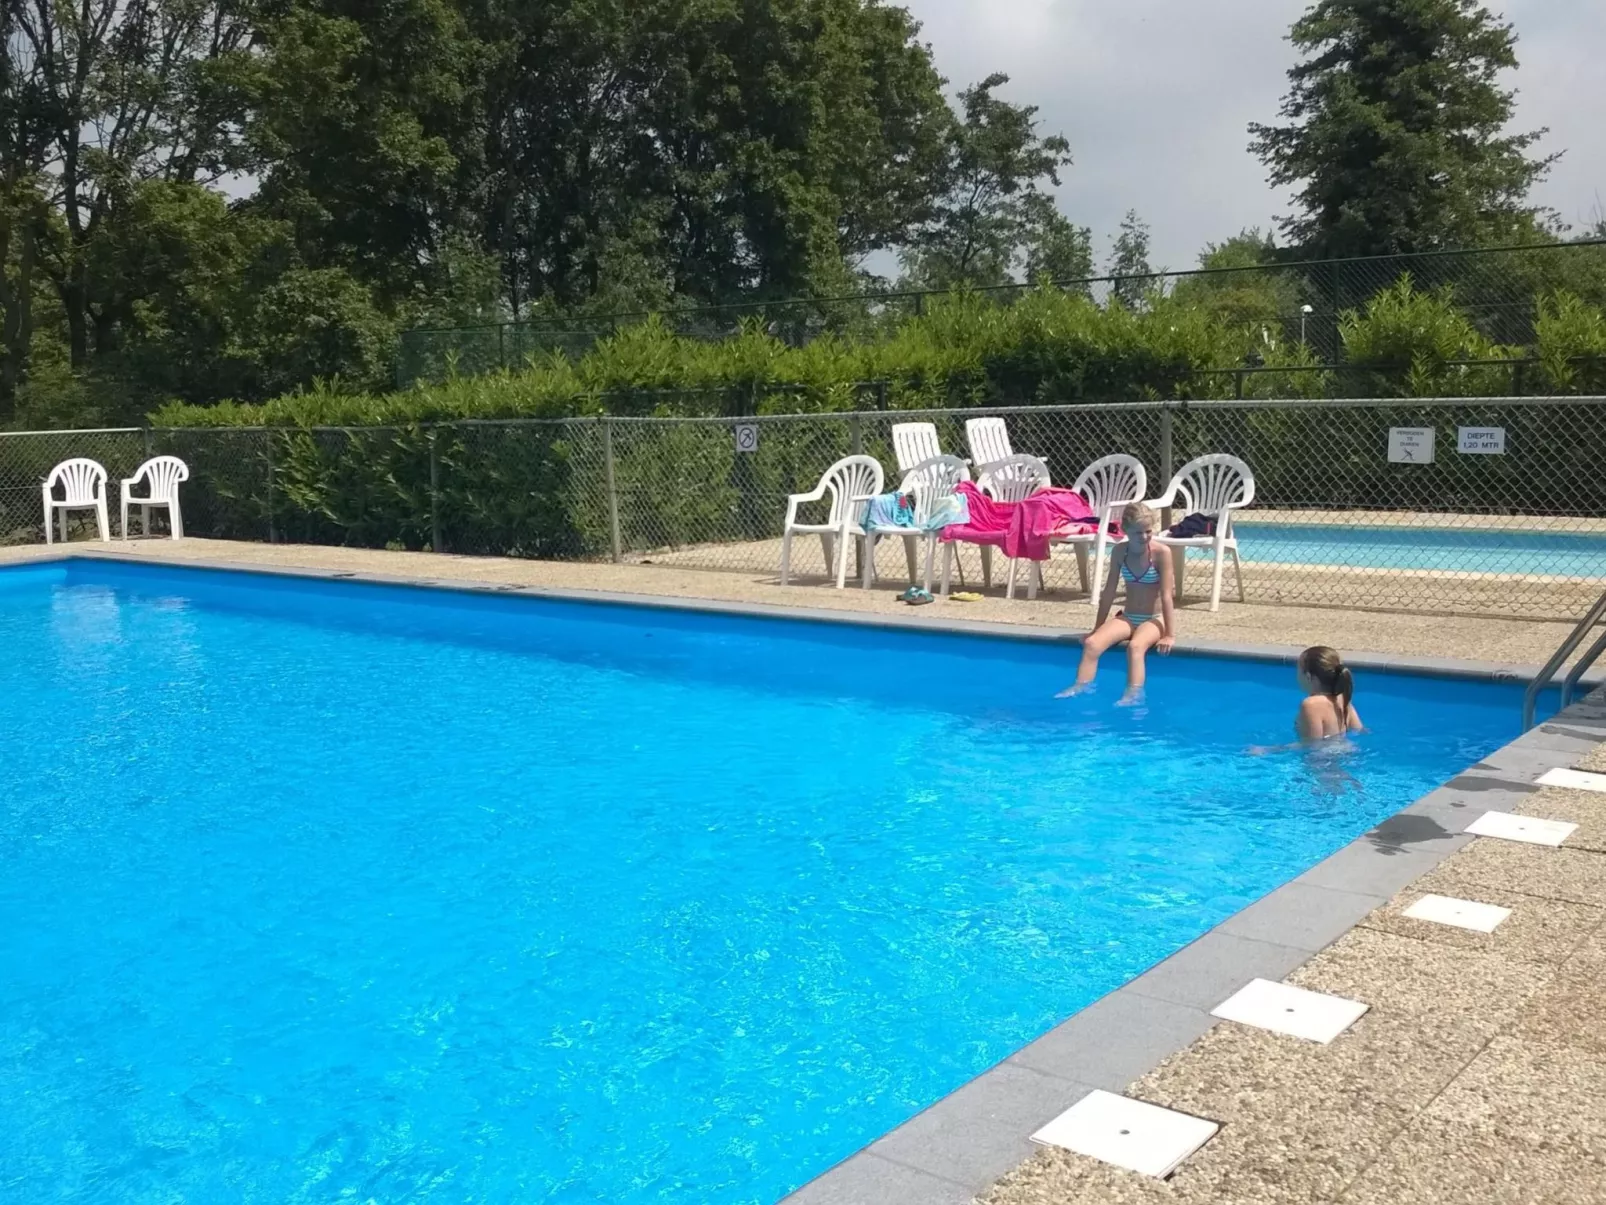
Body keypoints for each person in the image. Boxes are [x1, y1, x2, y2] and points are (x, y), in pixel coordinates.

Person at [1057, 501, 1176, 705]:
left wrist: (1169, 635)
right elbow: (1109, 592)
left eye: (1148, 531)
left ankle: (1133, 695)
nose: (1144, 537)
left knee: (1135, 647)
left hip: (1154, 619)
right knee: (1092, 644)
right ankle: (1080, 687)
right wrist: (1097, 628)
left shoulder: (1161, 553)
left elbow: (1166, 595)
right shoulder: (1120, 552)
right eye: (1138, 533)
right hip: (1128, 616)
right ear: (1125, 531)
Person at [1248, 646, 1364, 755]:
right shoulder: (1342, 698)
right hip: (1345, 752)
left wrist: (1268, 750)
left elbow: (1312, 745)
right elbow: (1359, 730)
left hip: (1321, 762)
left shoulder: (1311, 704)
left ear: (1308, 676)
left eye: (1298, 670)